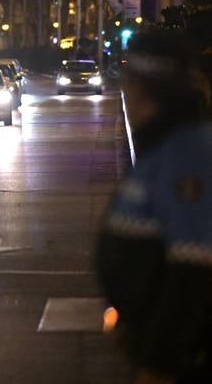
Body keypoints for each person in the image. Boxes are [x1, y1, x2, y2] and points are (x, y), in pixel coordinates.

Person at [96, 30, 212, 384]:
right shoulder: (163, 146)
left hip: (181, 363)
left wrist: (159, 365)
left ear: (143, 88)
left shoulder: (186, 153)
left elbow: (193, 270)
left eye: (128, 81)